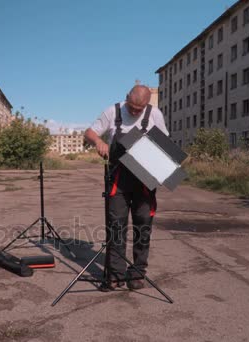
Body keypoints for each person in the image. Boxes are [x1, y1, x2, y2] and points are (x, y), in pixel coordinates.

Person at [84, 85, 169, 290]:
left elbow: (165, 143)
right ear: (126, 99)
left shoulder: (155, 114)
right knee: (116, 227)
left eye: (138, 109)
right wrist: (98, 142)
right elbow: (89, 132)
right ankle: (115, 275)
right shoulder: (112, 111)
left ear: (147, 105)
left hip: (144, 179)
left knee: (143, 227)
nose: (134, 112)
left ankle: (137, 274)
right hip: (118, 178)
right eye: (131, 107)